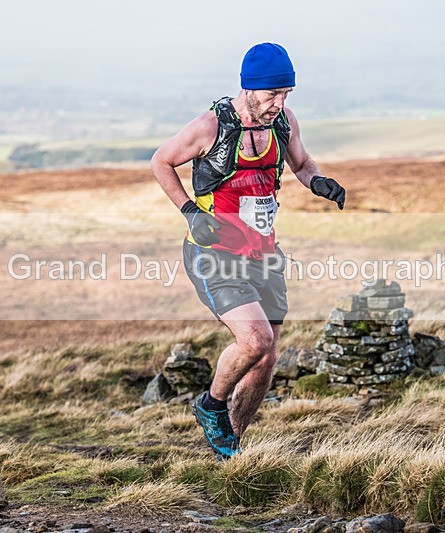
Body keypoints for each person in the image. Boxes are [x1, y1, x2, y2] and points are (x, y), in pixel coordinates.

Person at [151, 43, 346, 460]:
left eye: (286, 95)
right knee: (254, 339)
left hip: (264, 253)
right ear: (249, 88)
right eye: (272, 94)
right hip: (214, 252)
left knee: (266, 357)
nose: (280, 103)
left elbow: (303, 164)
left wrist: (319, 182)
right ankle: (211, 404)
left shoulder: (284, 122)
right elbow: (161, 162)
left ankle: (229, 448)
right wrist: (189, 211)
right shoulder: (210, 127)